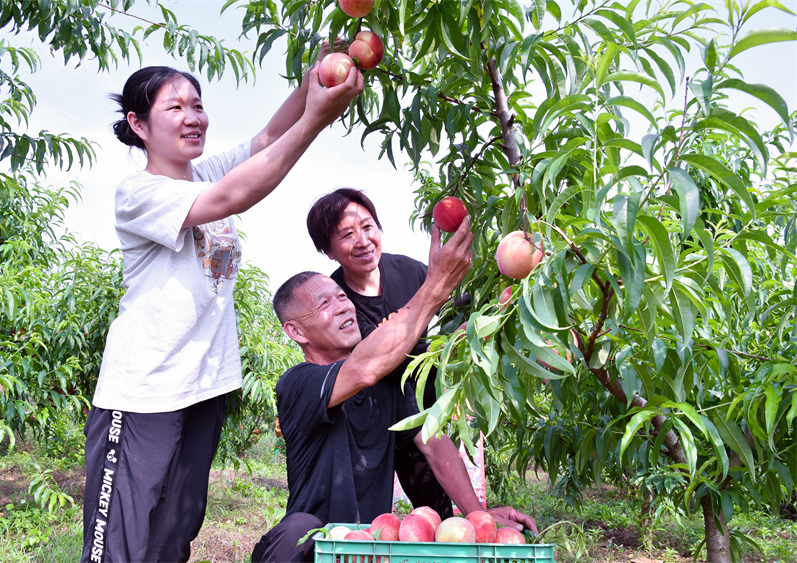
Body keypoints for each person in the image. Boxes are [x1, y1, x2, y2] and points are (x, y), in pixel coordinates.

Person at [81, 54, 364, 563]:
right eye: (175, 108)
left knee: (174, 535)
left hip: (202, 388)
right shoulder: (140, 193)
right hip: (143, 391)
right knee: (120, 543)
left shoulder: (201, 173)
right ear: (138, 125)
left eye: (198, 105)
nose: (193, 117)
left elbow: (266, 142)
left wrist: (320, 70)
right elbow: (238, 193)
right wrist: (318, 119)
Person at [252, 218, 538, 562]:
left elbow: (433, 445)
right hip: (311, 546)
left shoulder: (390, 383)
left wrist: (479, 515)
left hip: (366, 543)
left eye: (342, 297)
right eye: (324, 304)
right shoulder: (299, 383)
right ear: (297, 332)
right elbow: (364, 367)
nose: (343, 305)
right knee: (297, 530)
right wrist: (435, 286)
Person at [307, 188, 454, 518]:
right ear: (328, 251)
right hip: (373, 420)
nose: (362, 241)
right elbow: (380, 361)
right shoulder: (337, 301)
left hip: (425, 413)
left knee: (439, 514)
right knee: (363, 519)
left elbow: (456, 312)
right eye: (346, 234)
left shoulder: (412, 273)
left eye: (368, 226)